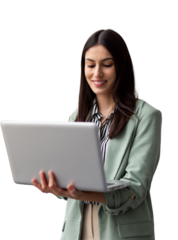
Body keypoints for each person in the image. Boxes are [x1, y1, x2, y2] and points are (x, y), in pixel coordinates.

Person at [31, 27, 161, 240]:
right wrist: (55, 188)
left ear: (121, 66)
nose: (97, 73)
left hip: (121, 232)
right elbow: (69, 183)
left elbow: (136, 188)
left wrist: (80, 193)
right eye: (90, 65)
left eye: (106, 65)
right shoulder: (76, 117)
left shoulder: (147, 115)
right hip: (76, 232)